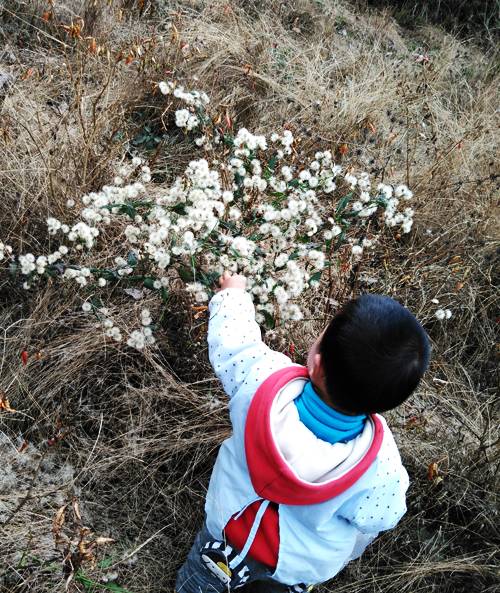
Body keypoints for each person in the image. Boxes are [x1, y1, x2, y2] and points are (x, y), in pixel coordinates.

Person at [176, 271, 431, 593]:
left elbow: (234, 342)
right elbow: (382, 517)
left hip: (223, 538)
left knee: (201, 583)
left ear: (317, 362)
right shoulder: (381, 466)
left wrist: (232, 293)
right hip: (294, 571)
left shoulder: (260, 379)